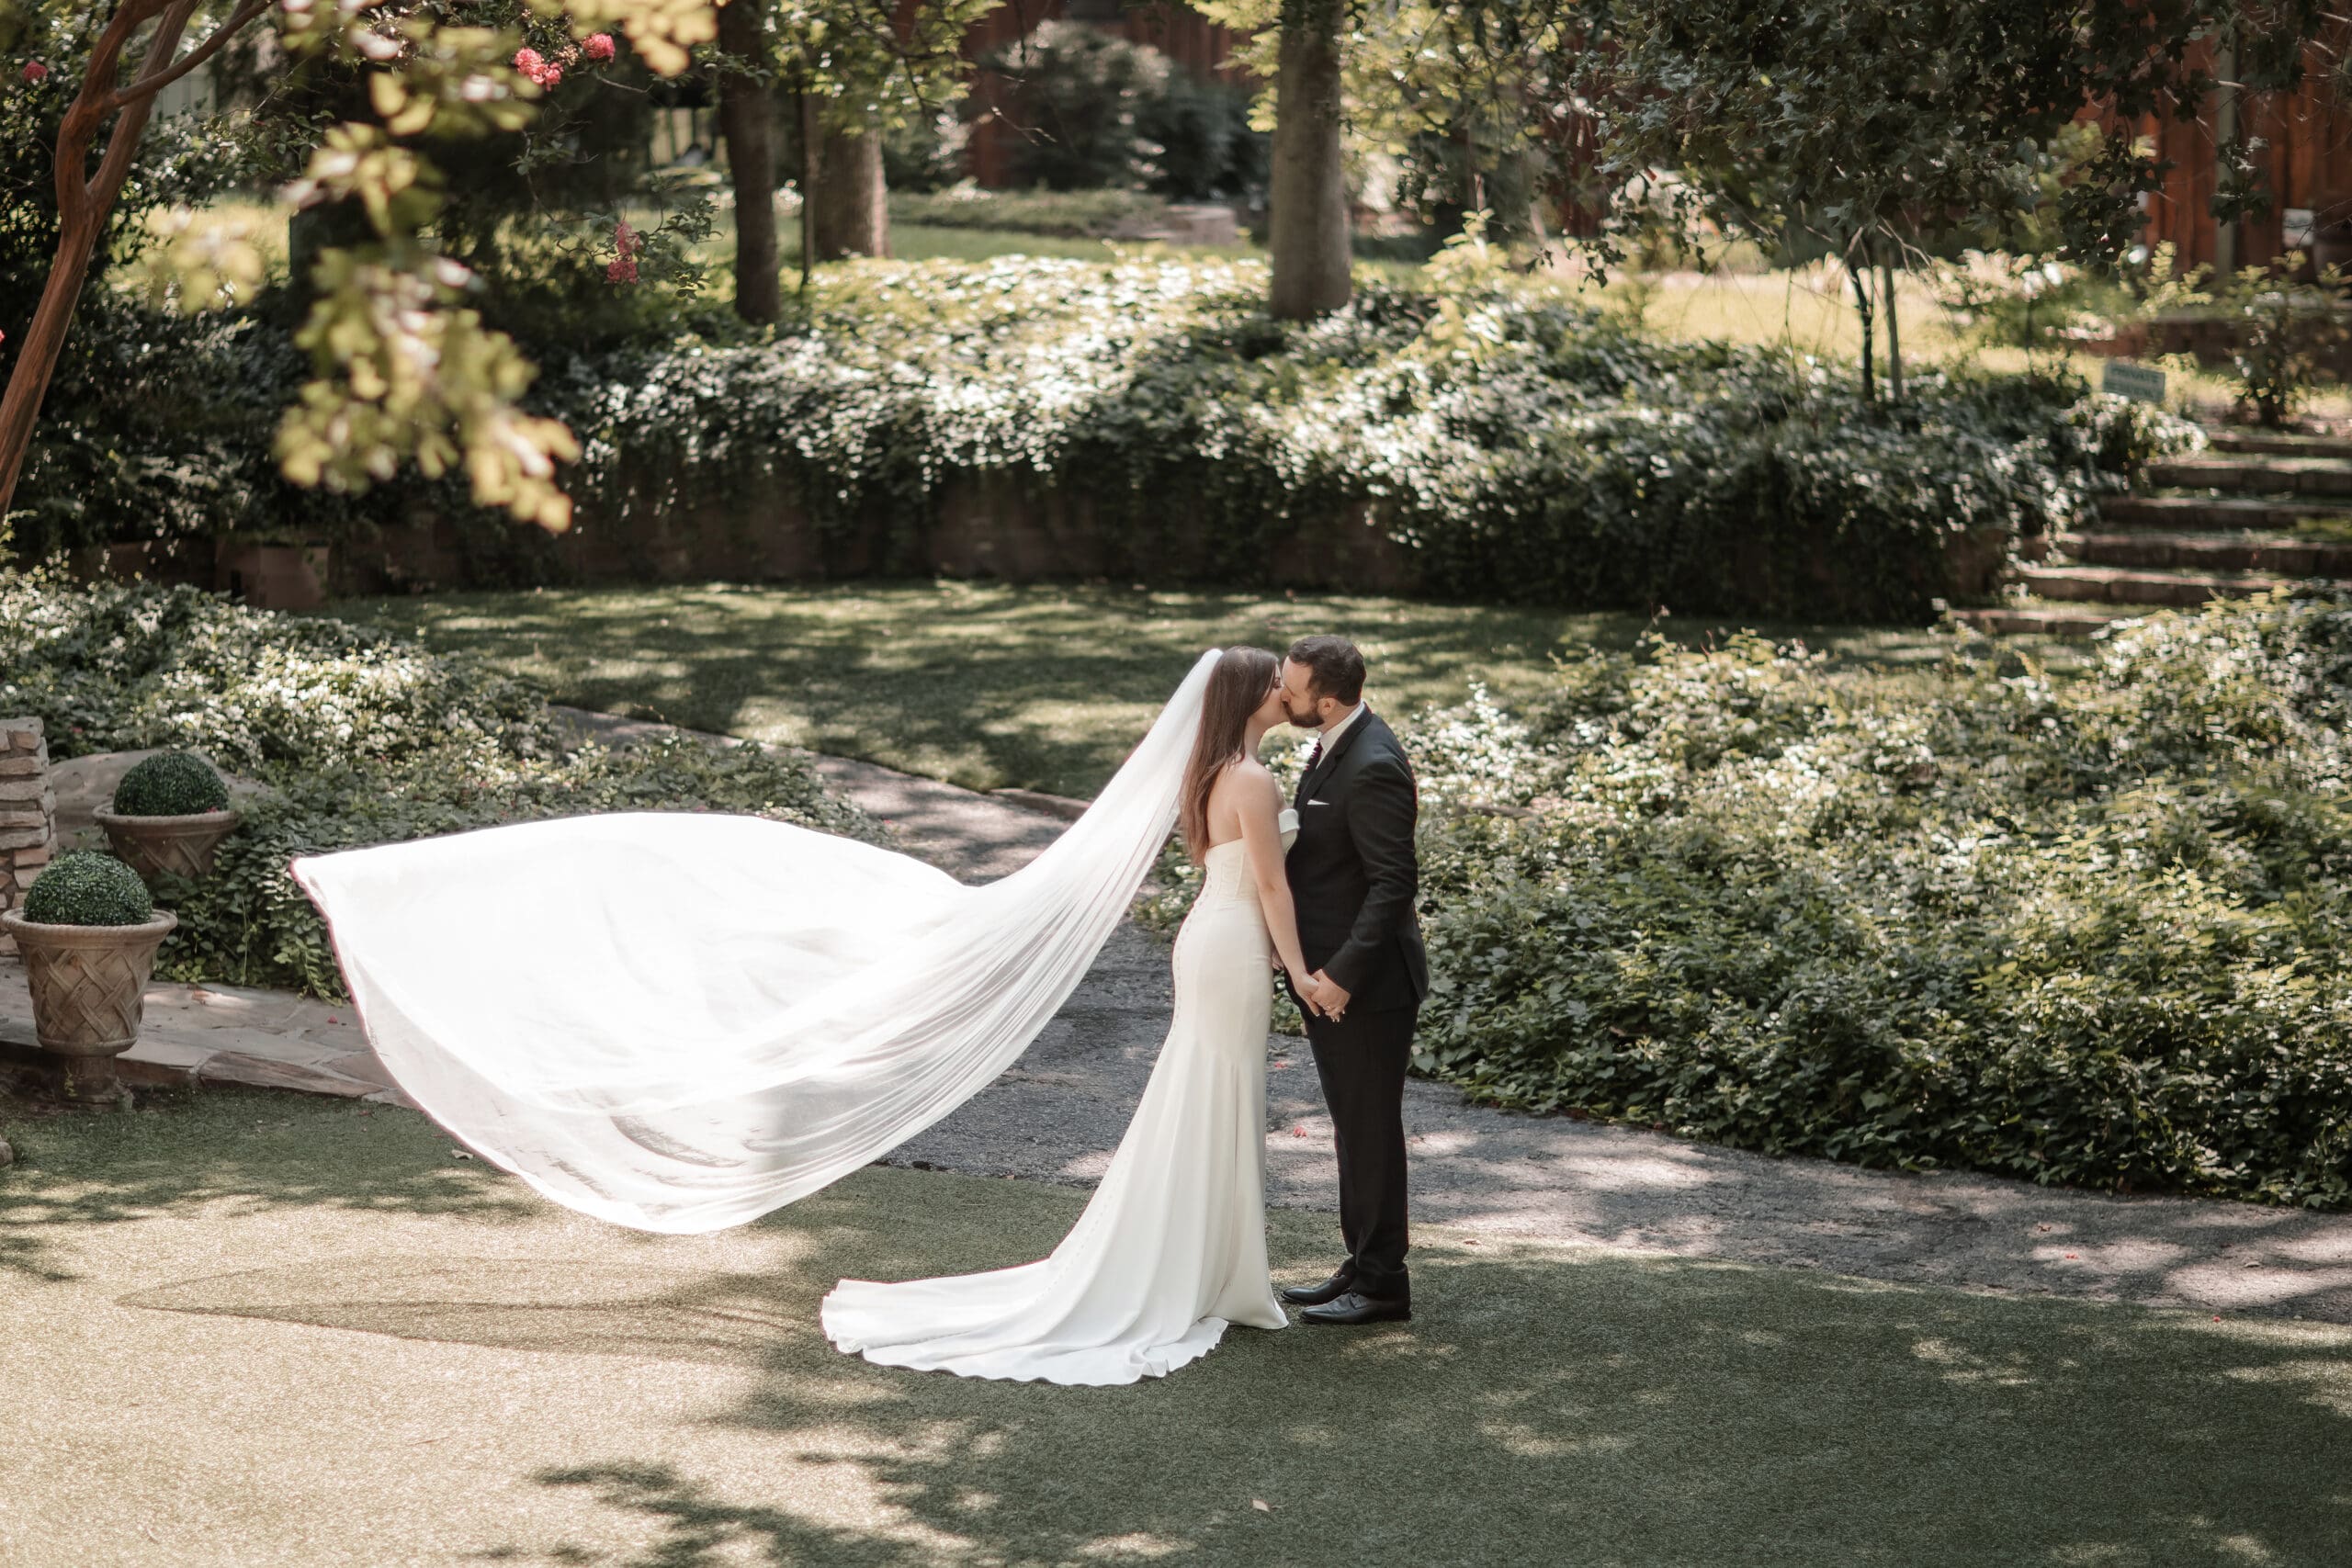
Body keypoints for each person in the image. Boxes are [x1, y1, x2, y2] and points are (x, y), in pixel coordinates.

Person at [820, 646, 1321, 1382]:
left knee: (1208, 1094)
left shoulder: (1215, 773)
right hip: (1231, 944)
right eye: (1274, 683)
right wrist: (1302, 968)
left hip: (1219, 937)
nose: (1285, 691)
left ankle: (1212, 1267)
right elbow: (1274, 890)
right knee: (1214, 1092)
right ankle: (1202, 1271)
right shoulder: (1251, 779)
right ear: (1248, 696)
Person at [1272, 635, 1428, 1326]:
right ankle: (1361, 1262)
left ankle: (1385, 1284)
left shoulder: (1372, 763)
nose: (1283, 693)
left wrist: (1340, 975)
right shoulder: (1341, 742)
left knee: (1368, 1130)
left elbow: (1394, 883)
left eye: (1292, 688)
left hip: (1365, 986)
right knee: (1350, 1128)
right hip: (1331, 978)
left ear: (1325, 700)